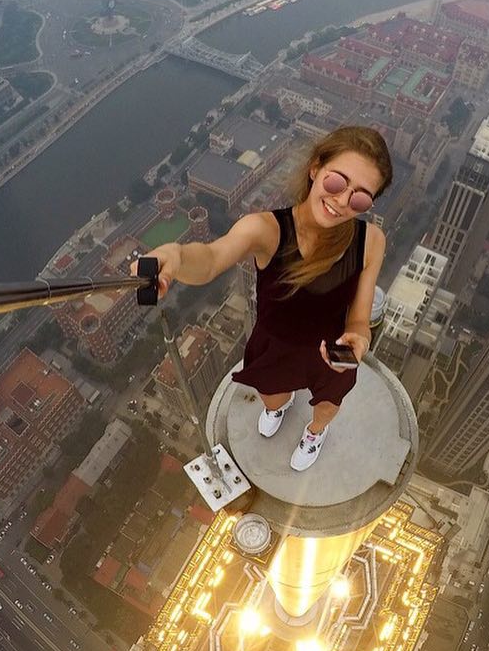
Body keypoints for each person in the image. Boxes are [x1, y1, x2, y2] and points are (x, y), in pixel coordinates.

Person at [137, 125, 391, 470]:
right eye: (336, 182)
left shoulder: (370, 241)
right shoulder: (267, 230)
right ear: (315, 168)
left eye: (360, 198)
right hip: (276, 344)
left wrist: (359, 339)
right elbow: (212, 258)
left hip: (331, 350)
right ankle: (279, 407)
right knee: (272, 396)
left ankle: (315, 433)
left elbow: (359, 318)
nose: (342, 201)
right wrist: (178, 256)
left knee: (328, 404)